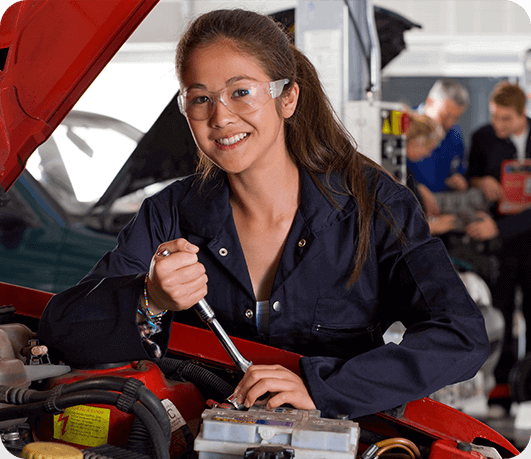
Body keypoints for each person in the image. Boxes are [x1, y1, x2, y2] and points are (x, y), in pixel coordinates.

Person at [38, 9, 489, 420]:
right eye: (200, 99)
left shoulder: (374, 206)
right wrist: (150, 299)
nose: (220, 117)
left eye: (241, 92)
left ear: (287, 98)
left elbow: (459, 336)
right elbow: (61, 328)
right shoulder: (169, 214)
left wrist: (323, 387)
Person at [466, 81, 531, 383]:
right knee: (499, 310)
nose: (498, 125)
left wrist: (499, 228)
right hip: (498, 246)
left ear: (522, 114)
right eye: (494, 117)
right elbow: (470, 179)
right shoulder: (483, 138)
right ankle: (501, 386)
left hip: (523, 236)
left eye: (506, 119)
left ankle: (526, 388)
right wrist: (481, 183)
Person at [407, 79, 470, 216]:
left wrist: (457, 180)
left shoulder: (455, 135)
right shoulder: (403, 124)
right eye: (445, 116)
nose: (449, 123)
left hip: (440, 209)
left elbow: (458, 170)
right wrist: (417, 187)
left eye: (456, 118)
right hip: (410, 207)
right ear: (430, 102)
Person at [405, 113, 456, 236]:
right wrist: (431, 227)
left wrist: (420, 188)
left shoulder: (405, 171)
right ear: (416, 142)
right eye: (429, 148)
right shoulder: (390, 174)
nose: (428, 154)